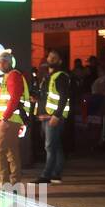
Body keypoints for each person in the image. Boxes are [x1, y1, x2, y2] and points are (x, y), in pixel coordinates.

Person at [0, 49, 27, 184]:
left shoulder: (13, 76)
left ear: (8, 63)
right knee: (11, 152)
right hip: (12, 119)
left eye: (2, 62)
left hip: (9, 120)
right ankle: (14, 182)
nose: (0, 64)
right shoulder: (10, 76)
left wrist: (5, 117)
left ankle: (4, 183)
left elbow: (14, 98)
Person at [37, 49, 72, 183]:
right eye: (50, 57)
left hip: (54, 117)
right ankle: (56, 174)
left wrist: (56, 116)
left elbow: (64, 97)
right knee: (55, 146)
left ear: (60, 61)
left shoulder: (60, 76)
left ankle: (46, 175)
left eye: (54, 57)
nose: (51, 59)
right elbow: (47, 96)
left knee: (50, 147)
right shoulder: (48, 76)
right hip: (47, 116)